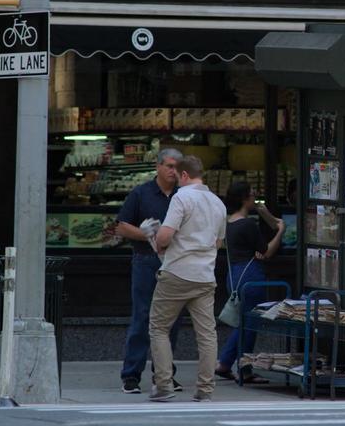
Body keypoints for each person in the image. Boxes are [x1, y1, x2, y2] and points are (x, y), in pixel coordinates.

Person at [150, 155, 227, 403]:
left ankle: (163, 386)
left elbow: (164, 237)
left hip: (177, 271)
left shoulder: (182, 197)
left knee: (159, 328)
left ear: (184, 175)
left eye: (177, 176)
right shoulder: (218, 203)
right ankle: (205, 389)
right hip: (205, 275)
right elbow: (218, 242)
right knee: (207, 335)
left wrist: (155, 236)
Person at [115, 148, 185, 394]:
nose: (172, 171)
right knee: (143, 316)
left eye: (177, 167)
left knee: (172, 320)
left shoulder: (183, 195)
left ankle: (164, 374)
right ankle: (131, 376)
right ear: (157, 166)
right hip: (146, 260)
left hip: (176, 262)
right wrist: (148, 235)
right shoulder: (141, 193)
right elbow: (122, 227)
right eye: (168, 166)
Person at [215, 182, 286, 383]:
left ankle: (225, 363)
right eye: (252, 194)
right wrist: (280, 230)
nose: (255, 197)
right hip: (250, 276)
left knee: (243, 322)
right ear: (244, 199)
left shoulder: (230, 223)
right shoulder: (248, 224)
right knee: (250, 323)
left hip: (234, 274)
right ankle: (244, 368)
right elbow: (267, 251)